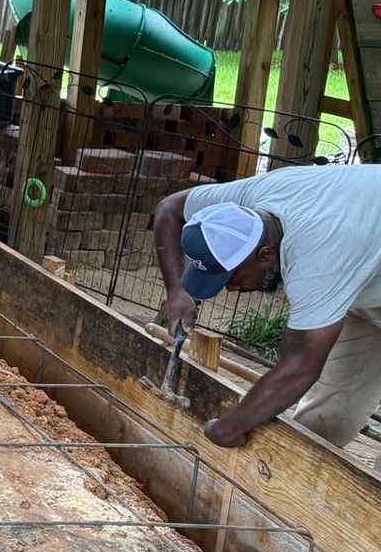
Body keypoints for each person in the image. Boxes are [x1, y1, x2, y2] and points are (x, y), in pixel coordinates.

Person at [154, 165, 381, 448]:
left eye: (232, 278)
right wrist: (176, 290)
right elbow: (169, 209)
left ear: (265, 255)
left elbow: (299, 368)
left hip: (349, 256)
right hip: (364, 270)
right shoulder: (247, 201)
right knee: (329, 411)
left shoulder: (315, 263)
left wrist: (226, 429)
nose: (231, 289)